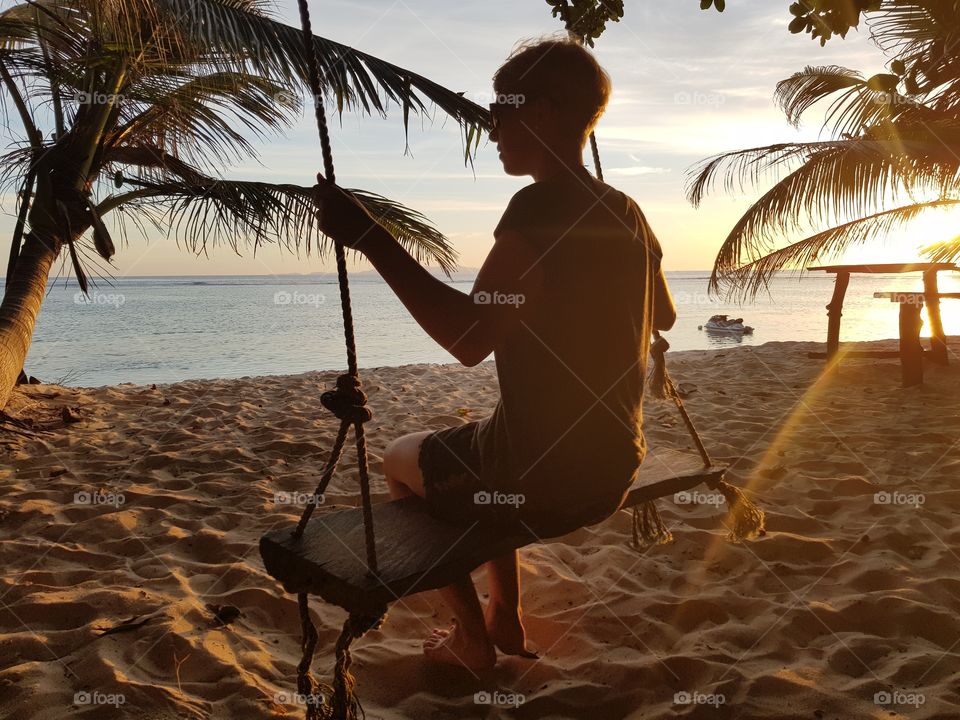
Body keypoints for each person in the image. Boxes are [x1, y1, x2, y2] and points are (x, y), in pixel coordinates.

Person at [314, 37, 676, 672]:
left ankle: (473, 640)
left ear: (540, 112)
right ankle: (503, 613)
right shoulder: (626, 210)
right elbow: (665, 315)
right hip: (614, 466)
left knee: (401, 461)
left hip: (543, 475)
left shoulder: (537, 206)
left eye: (498, 111)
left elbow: (466, 339)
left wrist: (372, 238)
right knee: (481, 445)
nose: (491, 129)